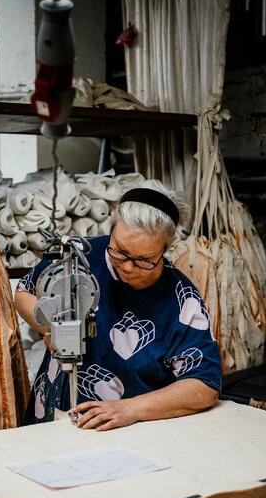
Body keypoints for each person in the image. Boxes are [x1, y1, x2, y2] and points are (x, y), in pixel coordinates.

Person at [15, 179, 221, 431]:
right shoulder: (78, 256)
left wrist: (131, 409)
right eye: (120, 251)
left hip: (125, 431)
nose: (127, 266)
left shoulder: (181, 300)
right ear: (113, 225)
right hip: (50, 412)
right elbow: (24, 291)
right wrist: (49, 328)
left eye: (144, 260)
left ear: (166, 248)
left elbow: (204, 385)